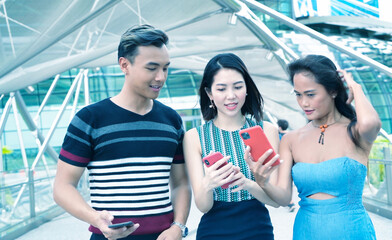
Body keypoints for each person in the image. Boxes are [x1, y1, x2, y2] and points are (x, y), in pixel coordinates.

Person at [53, 24, 191, 240]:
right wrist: (95, 218)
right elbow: (62, 187)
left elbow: (181, 183)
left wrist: (179, 227)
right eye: (152, 68)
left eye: (165, 68)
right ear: (124, 65)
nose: (161, 77)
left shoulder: (171, 120)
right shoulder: (89, 119)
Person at [249, 55, 381, 239]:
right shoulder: (291, 140)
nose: (304, 103)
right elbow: (284, 198)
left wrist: (355, 88)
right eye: (298, 95)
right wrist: (262, 181)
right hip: (306, 231)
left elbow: (370, 123)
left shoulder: (357, 132)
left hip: (352, 232)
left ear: (333, 91)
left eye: (310, 94)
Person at [183, 53, 280, 240]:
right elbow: (203, 206)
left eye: (237, 87)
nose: (231, 96)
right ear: (209, 94)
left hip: (258, 229)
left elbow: (275, 201)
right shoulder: (194, 137)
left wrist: (248, 184)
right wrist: (208, 183)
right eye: (221, 89)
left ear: (247, 88)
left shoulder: (266, 130)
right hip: (213, 231)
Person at [277, 119, 296, 212]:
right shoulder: (291, 136)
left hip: (283, 163)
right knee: (289, 182)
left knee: (284, 182)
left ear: (279, 127)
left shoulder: (279, 137)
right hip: (293, 162)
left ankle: (290, 202)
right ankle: (288, 200)